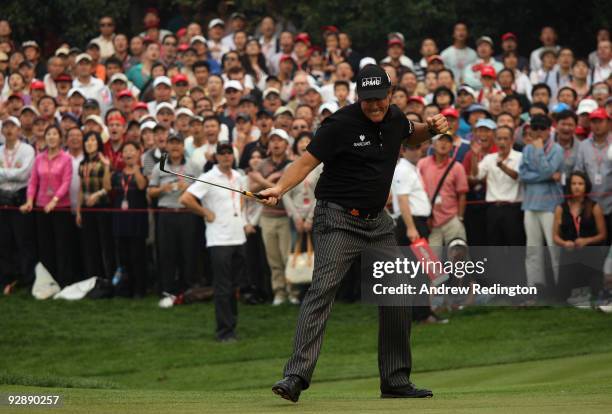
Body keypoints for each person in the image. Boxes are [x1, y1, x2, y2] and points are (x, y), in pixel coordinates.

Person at [260, 64, 448, 402]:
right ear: (359, 97)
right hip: (337, 219)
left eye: (380, 99)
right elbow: (304, 164)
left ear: (390, 95)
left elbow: (412, 132)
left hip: (377, 224)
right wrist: (279, 188)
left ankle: (395, 380)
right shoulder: (339, 124)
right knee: (322, 291)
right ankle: (295, 376)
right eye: (368, 100)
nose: (375, 105)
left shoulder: (394, 118)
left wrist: (432, 129)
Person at [181, 143, 248, 342]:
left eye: (229, 153)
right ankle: (224, 331)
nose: (226, 156)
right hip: (219, 240)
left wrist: (243, 221)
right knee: (223, 287)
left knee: (235, 286)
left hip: (238, 237)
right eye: (222, 153)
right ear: (216, 157)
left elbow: (240, 201)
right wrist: (206, 212)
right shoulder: (208, 177)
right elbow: (186, 199)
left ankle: (232, 325)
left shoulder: (238, 176)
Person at [248, 128, 298, 305]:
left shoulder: (293, 165)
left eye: (280, 140)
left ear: (286, 144)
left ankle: (292, 291)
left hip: (286, 216)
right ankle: (279, 292)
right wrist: (268, 181)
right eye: (273, 140)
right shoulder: (262, 164)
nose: (276, 143)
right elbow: (251, 190)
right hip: (267, 217)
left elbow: (288, 191)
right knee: (273, 258)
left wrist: (263, 181)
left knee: (287, 257)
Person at [21, 125, 74, 287]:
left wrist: (55, 201)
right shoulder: (39, 158)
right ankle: (48, 282)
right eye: (48, 134)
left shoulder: (66, 158)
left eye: (54, 134)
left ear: (60, 138)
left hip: (61, 208)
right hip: (41, 208)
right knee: (45, 246)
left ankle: (63, 280)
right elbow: (33, 182)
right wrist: (30, 200)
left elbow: (66, 182)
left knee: (62, 245)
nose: (51, 137)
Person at [518, 115, 564, 296]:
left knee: (554, 249)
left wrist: (538, 153)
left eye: (541, 128)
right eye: (534, 128)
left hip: (550, 205)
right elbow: (523, 175)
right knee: (532, 250)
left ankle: (561, 287)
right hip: (530, 205)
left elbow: (547, 170)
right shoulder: (527, 149)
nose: (538, 132)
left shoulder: (557, 149)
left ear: (548, 129)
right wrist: (545, 176)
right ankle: (535, 288)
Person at [148, 134, 199, 294]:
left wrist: (189, 188)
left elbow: (202, 191)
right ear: (167, 146)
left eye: (178, 143)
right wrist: (163, 189)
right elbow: (150, 191)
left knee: (188, 251)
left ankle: (188, 288)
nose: (175, 147)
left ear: (183, 146)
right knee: (166, 252)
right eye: (172, 143)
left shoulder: (193, 165)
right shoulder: (159, 165)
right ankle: (167, 288)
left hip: (187, 214)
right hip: (167, 214)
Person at [553, 172, 607, 300]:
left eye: (580, 184)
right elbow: (555, 236)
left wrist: (587, 240)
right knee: (562, 296)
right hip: (569, 255)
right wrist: (564, 243)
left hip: (590, 256)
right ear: (569, 186)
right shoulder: (561, 208)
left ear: (586, 186)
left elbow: (603, 234)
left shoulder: (594, 207)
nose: (577, 187)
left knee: (594, 292)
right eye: (573, 184)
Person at [105, 141, 148, 297]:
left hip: (137, 222)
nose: (129, 153)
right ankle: (125, 288)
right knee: (123, 257)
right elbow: (108, 187)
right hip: (120, 221)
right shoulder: (117, 174)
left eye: (132, 150)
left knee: (138, 256)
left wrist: (136, 170)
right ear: (121, 155)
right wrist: (106, 168)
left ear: (138, 153)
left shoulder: (143, 171)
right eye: (126, 151)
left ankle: (139, 289)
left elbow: (143, 186)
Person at [0, 116, 37, 292]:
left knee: (24, 240)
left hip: (20, 197)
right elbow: (17, 173)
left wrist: (4, 173)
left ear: (19, 130)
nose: (9, 130)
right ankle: (8, 278)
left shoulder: (27, 149)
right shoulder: (0, 150)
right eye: (5, 127)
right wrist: (12, 172)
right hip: (2, 198)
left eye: (12, 127)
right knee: (4, 240)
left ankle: (27, 278)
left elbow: (24, 174)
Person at [76, 131, 116, 281]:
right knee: (90, 245)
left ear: (98, 143)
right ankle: (93, 277)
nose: (89, 143)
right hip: (87, 209)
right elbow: (81, 189)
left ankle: (108, 277)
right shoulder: (82, 163)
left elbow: (108, 187)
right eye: (86, 141)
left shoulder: (104, 162)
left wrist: (97, 194)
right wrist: (79, 211)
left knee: (105, 245)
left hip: (102, 207)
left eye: (92, 140)